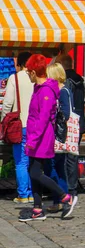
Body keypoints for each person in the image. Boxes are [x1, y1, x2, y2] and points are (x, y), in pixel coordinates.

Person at [19, 54, 76, 221]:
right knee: (32, 172)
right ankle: (37, 209)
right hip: (35, 137)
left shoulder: (46, 91)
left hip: (41, 138)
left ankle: (65, 196)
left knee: (36, 173)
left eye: (29, 71)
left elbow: (43, 120)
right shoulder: (39, 89)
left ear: (34, 72)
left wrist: (32, 140)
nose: (27, 74)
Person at [1, 52, 34, 203]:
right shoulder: (38, 77)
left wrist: (3, 121)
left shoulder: (15, 78)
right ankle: (33, 193)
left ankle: (23, 194)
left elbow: (7, 103)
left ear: (19, 64)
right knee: (33, 162)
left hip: (20, 125)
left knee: (21, 161)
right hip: (36, 125)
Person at [45, 63, 73, 213]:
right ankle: (60, 200)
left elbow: (65, 114)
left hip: (59, 136)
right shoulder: (59, 90)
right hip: (58, 135)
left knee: (53, 167)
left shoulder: (63, 91)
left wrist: (53, 117)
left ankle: (61, 198)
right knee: (58, 168)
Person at [56, 54, 84, 198]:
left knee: (67, 158)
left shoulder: (66, 82)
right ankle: (72, 185)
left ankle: (69, 187)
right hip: (79, 121)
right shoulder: (79, 78)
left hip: (68, 124)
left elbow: (66, 107)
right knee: (73, 156)